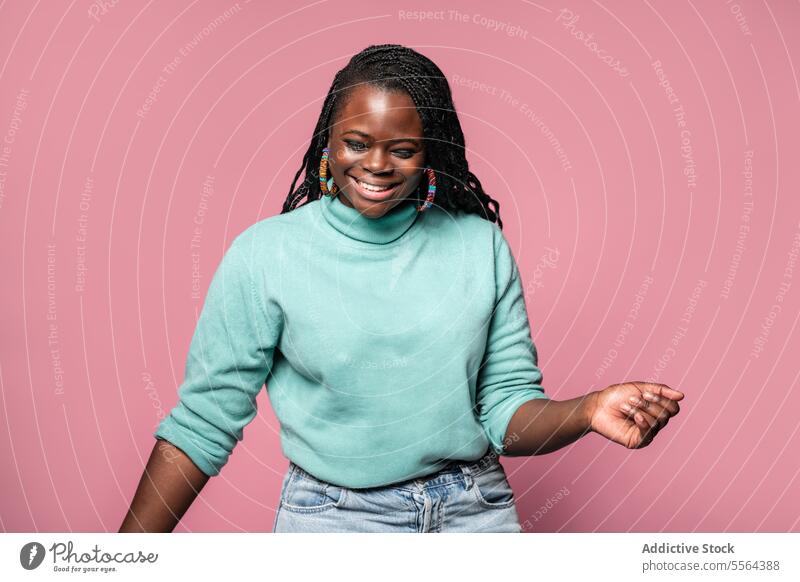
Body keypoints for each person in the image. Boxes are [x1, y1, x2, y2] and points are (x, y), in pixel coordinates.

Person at [119, 44, 684, 533]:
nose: (377, 165)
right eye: (357, 143)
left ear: (430, 151)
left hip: (475, 511)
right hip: (334, 518)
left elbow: (507, 412)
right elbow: (204, 421)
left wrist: (587, 411)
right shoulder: (265, 255)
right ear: (327, 142)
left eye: (403, 150)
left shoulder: (479, 246)